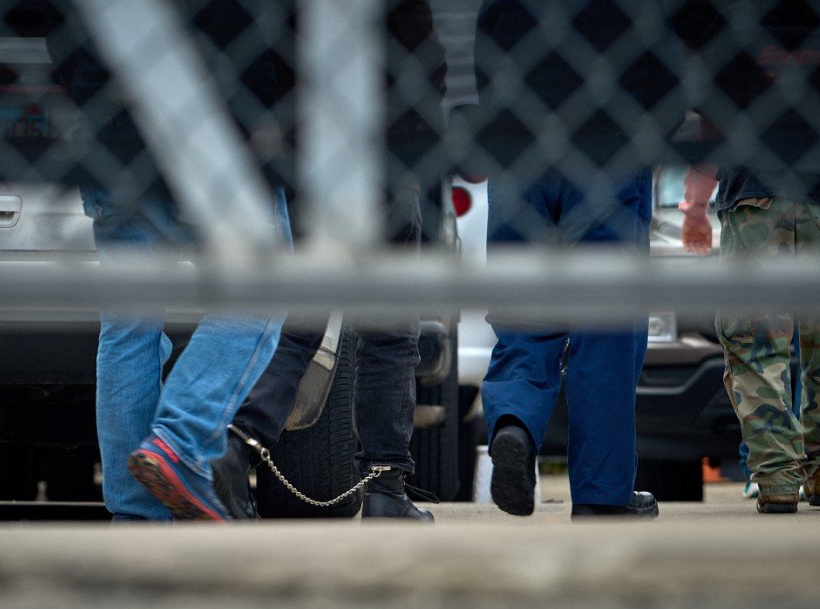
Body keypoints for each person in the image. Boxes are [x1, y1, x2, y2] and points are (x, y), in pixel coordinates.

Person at [49, 0, 292, 521]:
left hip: (111, 125)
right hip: (217, 121)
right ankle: (179, 438)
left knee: (128, 325)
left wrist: (89, 90)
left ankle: (136, 515)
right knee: (265, 288)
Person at [210, 0, 447, 522]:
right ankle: (386, 488)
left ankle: (237, 446)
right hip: (379, 148)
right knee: (387, 330)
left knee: (304, 314)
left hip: (305, 149)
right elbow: (421, 56)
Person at [473, 0, 674, 519]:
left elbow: (485, 50)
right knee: (605, 327)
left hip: (518, 151)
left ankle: (514, 423)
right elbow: (668, 58)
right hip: (609, 147)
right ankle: (601, 494)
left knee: (523, 315)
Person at [679, 2, 820, 513]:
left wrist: (696, 204)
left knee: (755, 343)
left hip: (754, 194)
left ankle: (778, 479)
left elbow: (713, 118)